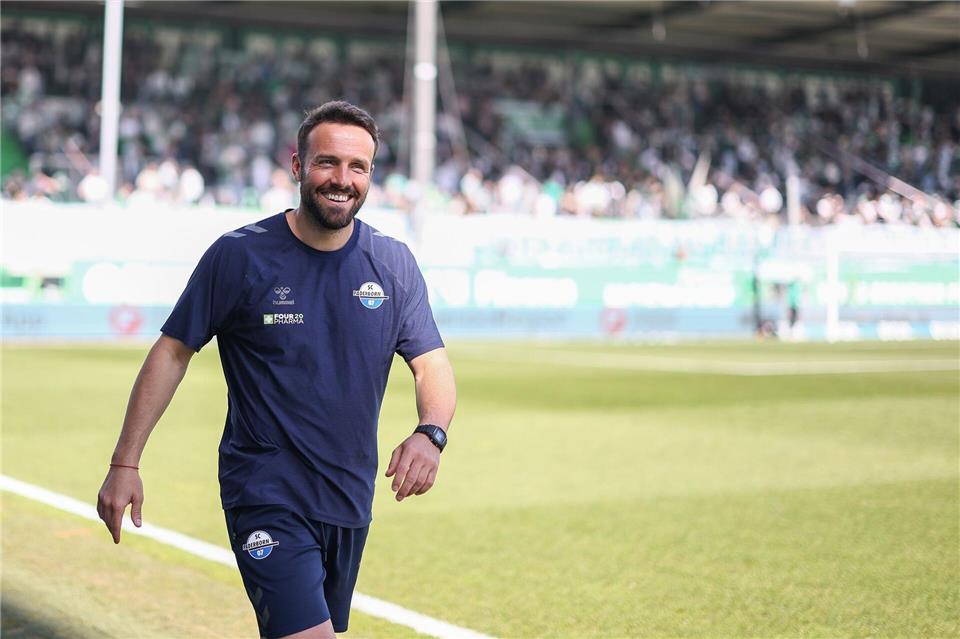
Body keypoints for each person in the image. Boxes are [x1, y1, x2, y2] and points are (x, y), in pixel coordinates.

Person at [96, 101, 456, 639]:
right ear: (296, 166)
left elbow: (433, 365)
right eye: (327, 163)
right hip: (265, 493)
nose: (342, 179)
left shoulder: (393, 262)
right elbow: (173, 352)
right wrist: (125, 462)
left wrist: (431, 434)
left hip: (349, 500)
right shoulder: (240, 256)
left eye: (357, 167)